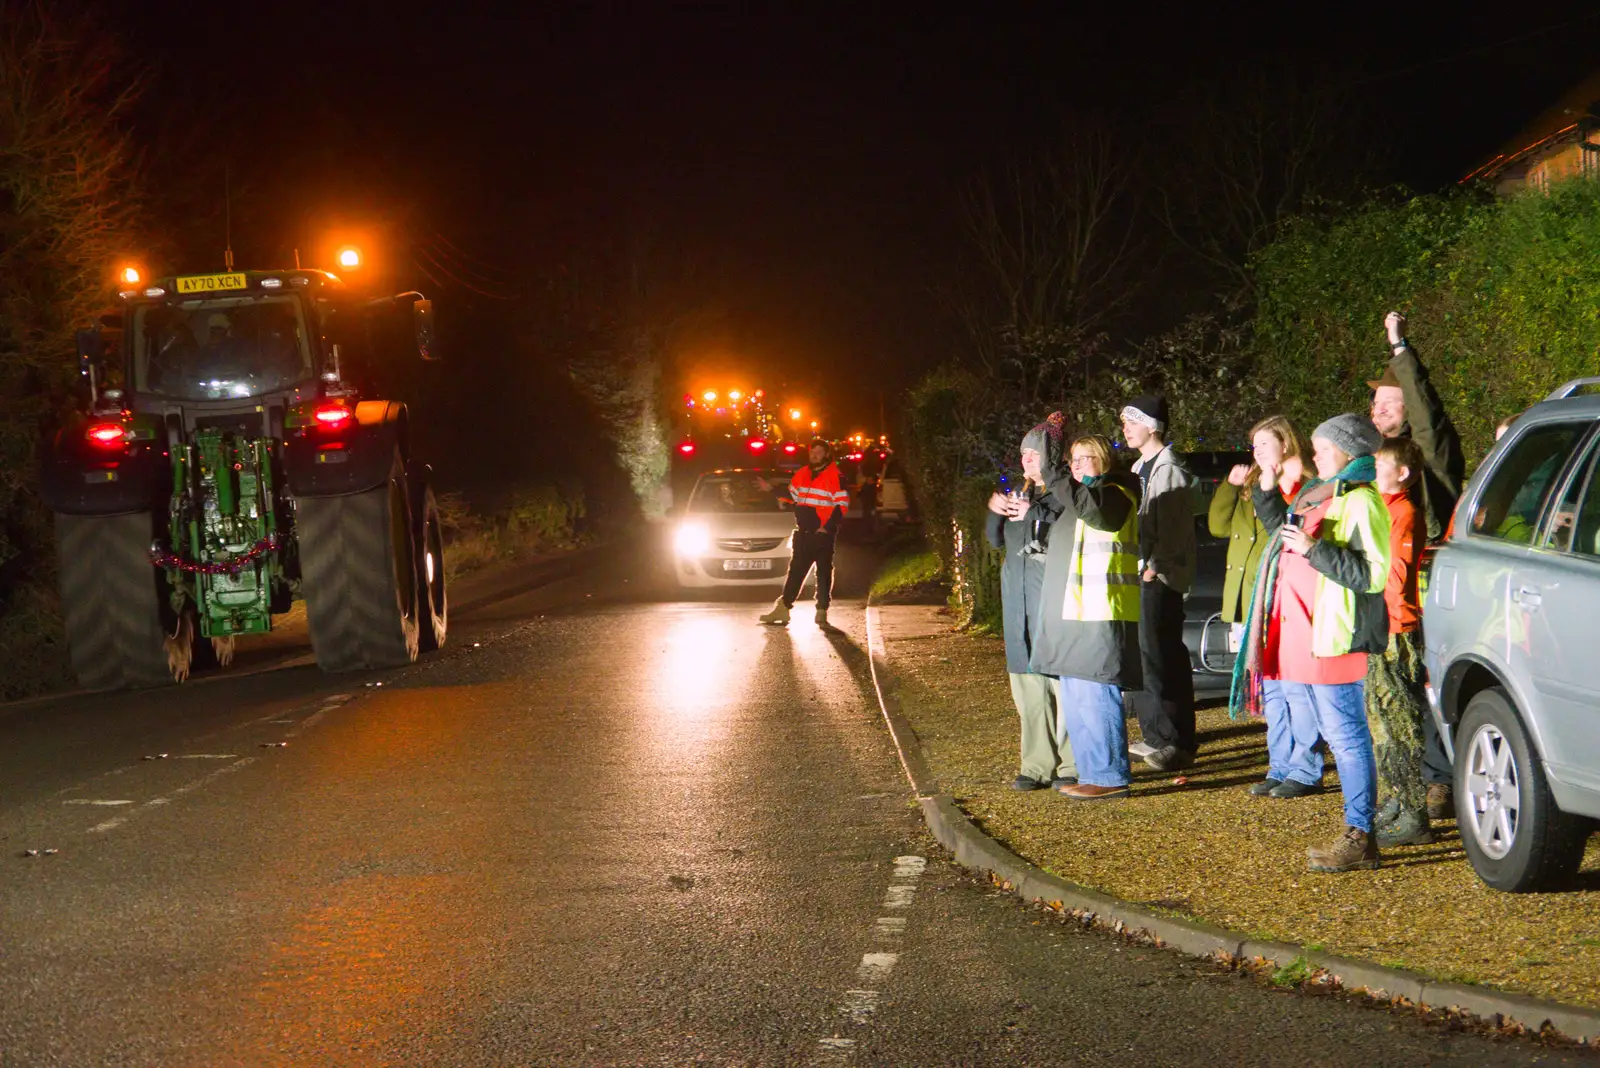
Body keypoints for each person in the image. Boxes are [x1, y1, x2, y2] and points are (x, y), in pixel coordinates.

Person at [1247, 414, 1390, 872]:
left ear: (1350, 452)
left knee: (1347, 739)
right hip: (1300, 635)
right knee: (1335, 735)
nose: (1315, 456)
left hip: (1333, 638)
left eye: (1324, 449)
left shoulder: (1362, 500)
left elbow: (1371, 575)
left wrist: (1314, 550)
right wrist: (1266, 489)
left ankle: (1360, 834)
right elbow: (1282, 536)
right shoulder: (1320, 493)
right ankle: (1357, 830)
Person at [1370, 311, 1465, 819]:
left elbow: (1430, 415)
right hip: (1391, 600)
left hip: (1429, 593)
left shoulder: (1429, 457)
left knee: (1431, 688)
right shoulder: (1376, 462)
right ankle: (1410, 788)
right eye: (1374, 403)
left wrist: (1401, 349)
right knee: (1400, 699)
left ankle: (1440, 782)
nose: (1375, 411)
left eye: (1387, 403)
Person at [1030, 430, 1143, 800]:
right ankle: (1091, 770)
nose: (1077, 465)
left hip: (1099, 611)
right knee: (1078, 699)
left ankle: (1110, 777)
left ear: (1104, 462)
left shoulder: (1116, 494)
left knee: (1096, 696)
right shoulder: (1075, 500)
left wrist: (1052, 469)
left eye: (1086, 458)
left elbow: (1094, 512)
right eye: (1072, 459)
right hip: (1071, 614)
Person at [1215, 415, 1324, 798]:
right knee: (1273, 687)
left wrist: (1267, 490)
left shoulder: (1310, 488)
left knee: (1297, 688)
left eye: (1264, 443)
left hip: (1296, 596)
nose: (1257, 451)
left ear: (1285, 443)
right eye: (1255, 445)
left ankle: (1306, 769)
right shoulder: (1264, 486)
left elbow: (1285, 533)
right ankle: (1279, 765)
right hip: (1269, 597)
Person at [986, 413, 1072, 791]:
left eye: (1034, 454)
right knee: (1028, 690)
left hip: (1050, 604)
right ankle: (1036, 764)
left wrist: (1035, 513)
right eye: (1023, 454)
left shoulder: (1067, 493)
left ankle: (1071, 763)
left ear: (1051, 456)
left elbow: (1064, 540)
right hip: (1017, 606)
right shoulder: (1021, 494)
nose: (1026, 461)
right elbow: (997, 542)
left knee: (1063, 687)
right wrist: (993, 512)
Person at [1120, 394, 1197, 772]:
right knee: (1147, 657)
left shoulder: (1170, 468)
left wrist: (1154, 566)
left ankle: (1174, 742)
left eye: (1131, 421)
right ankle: (1154, 735)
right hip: (1143, 573)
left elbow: (1175, 526)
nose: (1125, 429)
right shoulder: (1140, 468)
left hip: (1158, 576)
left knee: (1162, 658)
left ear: (1152, 425)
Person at [1368, 436, 1434, 847]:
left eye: (1380, 467)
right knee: (1381, 723)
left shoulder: (1404, 512)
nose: (1374, 474)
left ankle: (1414, 812)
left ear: (1402, 473)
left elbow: (1395, 576)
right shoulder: (1385, 509)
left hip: (1397, 630)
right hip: (1383, 627)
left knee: (1400, 723)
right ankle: (1395, 797)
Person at [758, 439, 850, 626]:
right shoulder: (803, 473)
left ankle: (821, 610)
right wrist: (773, 490)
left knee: (823, 572)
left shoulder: (835, 476)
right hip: (804, 532)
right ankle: (784, 608)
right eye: (812, 450)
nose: (814, 454)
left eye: (818, 451)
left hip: (823, 534)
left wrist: (828, 527)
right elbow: (793, 495)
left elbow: (842, 505)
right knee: (796, 572)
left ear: (826, 454)